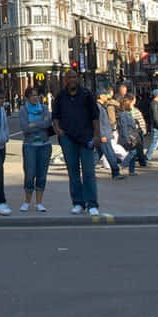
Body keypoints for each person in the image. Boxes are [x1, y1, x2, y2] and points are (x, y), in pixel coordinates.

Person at [51, 69, 103, 216]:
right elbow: (55, 115)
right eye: (69, 77)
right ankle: (78, 202)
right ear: (65, 80)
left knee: (88, 172)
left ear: (78, 79)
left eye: (74, 77)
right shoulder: (60, 97)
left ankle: (92, 203)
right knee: (73, 173)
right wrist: (58, 130)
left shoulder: (86, 95)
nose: (72, 79)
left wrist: (97, 135)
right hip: (68, 138)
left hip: (86, 138)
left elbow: (95, 116)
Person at [19, 86, 53, 212]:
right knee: (29, 173)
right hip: (30, 145)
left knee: (42, 174)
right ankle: (27, 201)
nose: (35, 98)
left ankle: (39, 202)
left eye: (37, 95)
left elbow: (48, 124)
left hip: (44, 144)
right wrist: (40, 124)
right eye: (32, 95)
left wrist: (34, 124)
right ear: (27, 98)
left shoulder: (44, 109)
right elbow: (25, 128)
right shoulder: (23, 111)